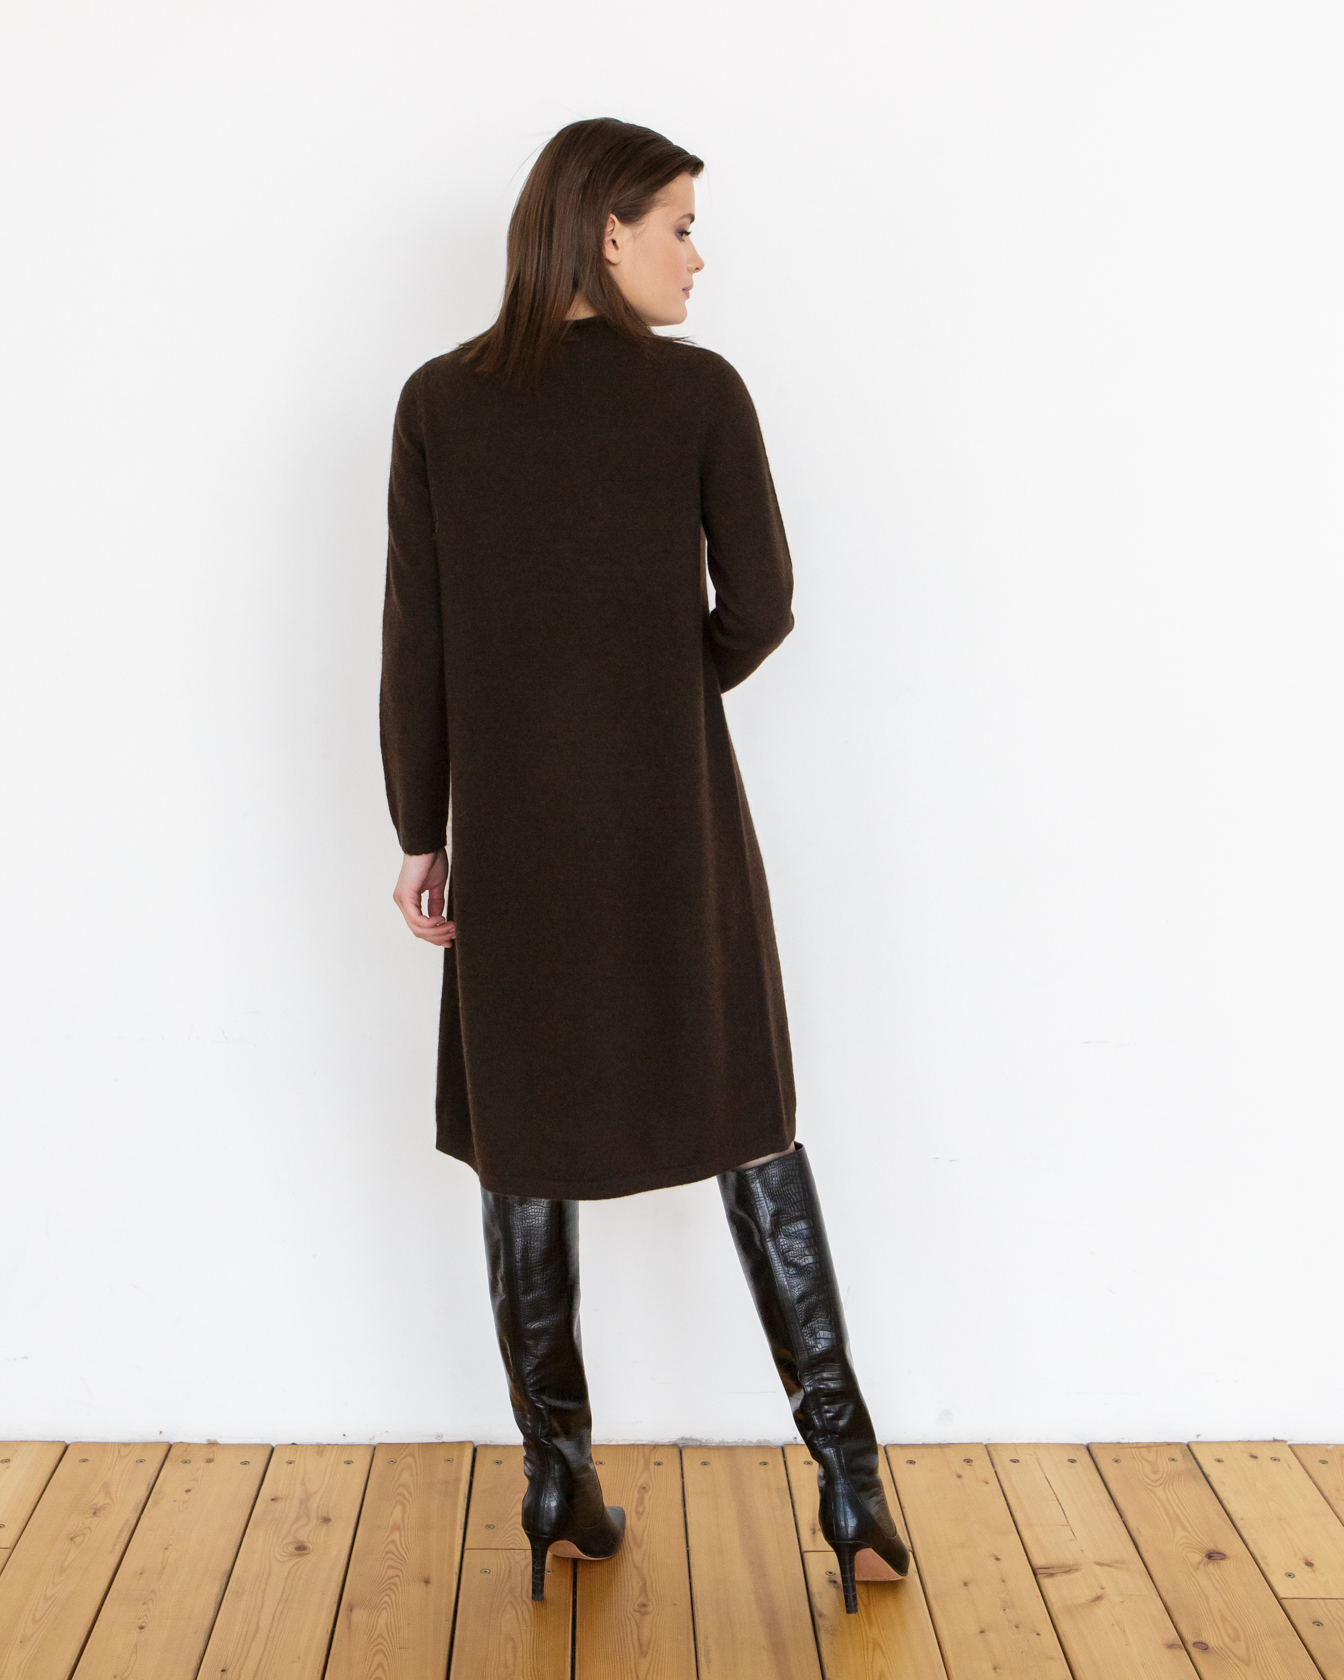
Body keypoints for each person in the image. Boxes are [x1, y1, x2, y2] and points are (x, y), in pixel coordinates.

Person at [379, 116, 908, 1615]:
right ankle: (851, 1478)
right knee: (749, 1114)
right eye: (678, 223)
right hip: (672, 819)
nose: (696, 255)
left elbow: (416, 638)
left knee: (524, 1139)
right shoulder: (696, 394)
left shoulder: (440, 402)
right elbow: (766, 603)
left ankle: (557, 1475)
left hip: (515, 840)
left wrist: (422, 830)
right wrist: (656, 694)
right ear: (605, 229)